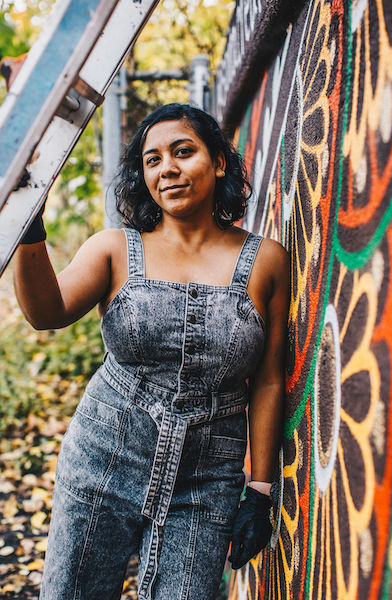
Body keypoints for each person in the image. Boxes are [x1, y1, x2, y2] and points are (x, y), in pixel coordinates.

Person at [13, 103, 290, 600]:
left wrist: (261, 489)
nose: (168, 169)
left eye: (184, 152)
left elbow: (269, 377)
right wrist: (26, 226)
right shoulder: (115, 249)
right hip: (103, 459)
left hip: (207, 482)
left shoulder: (267, 261)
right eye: (153, 159)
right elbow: (46, 312)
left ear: (218, 162)